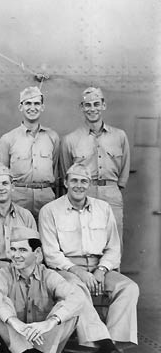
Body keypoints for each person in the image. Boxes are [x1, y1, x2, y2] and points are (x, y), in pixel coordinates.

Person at [39, 163, 138, 353]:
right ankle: (107, 349)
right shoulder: (50, 210)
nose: (79, 185)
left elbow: (113, 247)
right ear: (65, 182)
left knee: (128, 288)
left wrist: (101, 270)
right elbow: (51, 253)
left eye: (84, 181)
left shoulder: (103, 208)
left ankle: (107, 350)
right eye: (74, 180)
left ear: (90, 184)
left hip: (99, 267)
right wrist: (78, 271)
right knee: (76, 291)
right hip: (67, 269)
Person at [0, 227, 83, 353]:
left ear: (38, 253)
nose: (16, 255)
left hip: (43, 340)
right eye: (13, 250)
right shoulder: (2, 274)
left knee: (68, 310)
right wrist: (14, 322)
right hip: (15, 342)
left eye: (22, 250)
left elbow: (77, 297)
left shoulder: (49, 276)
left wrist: (50, 323)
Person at [60, 87, 130, 246]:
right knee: (84, 242)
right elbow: (66, 173)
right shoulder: (70, 140)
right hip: (83, 194)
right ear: (82, 107)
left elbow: (124, 169)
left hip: (111, 194)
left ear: (103, 105)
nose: (92, 109)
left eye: (96, 104)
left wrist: (113, 189)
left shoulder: (119, 136)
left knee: (114, 243)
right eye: (88, 105)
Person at [0, 86, 59, 218]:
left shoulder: (52, 137)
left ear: (42, 107)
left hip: (46, 198)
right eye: (28, 103)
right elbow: (1, 175)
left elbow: (55, 170)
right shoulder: (8, 139)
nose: (32, 107)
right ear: (21, 107)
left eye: (37, 103)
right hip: (17, 198)